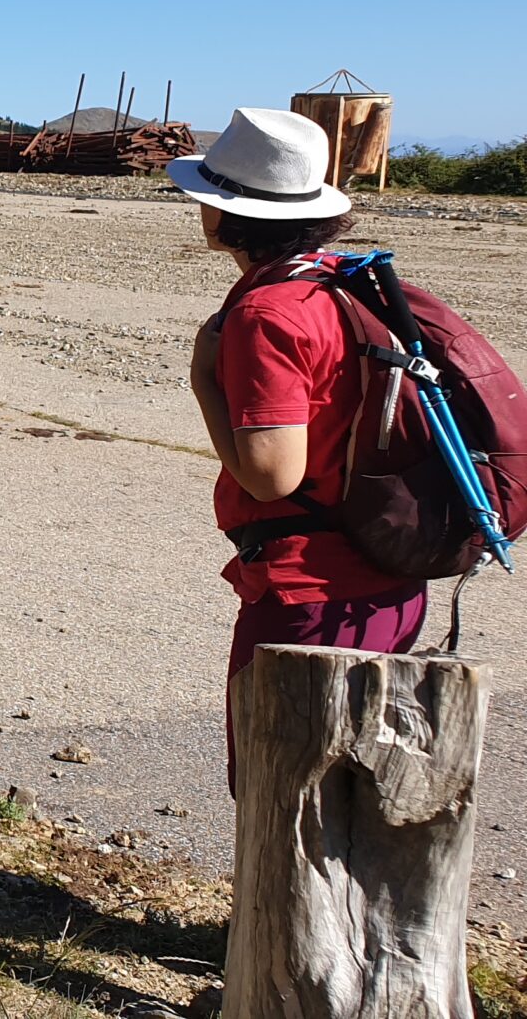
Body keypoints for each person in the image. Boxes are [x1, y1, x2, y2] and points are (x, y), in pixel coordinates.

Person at [169, 108, 426, 782]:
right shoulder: (332, 282)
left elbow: (269, 475)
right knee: (354, 800)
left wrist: (203, 380)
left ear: (228, 215)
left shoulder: (264, 313)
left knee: (282, 794)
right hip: (385, 570)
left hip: (313, 597)